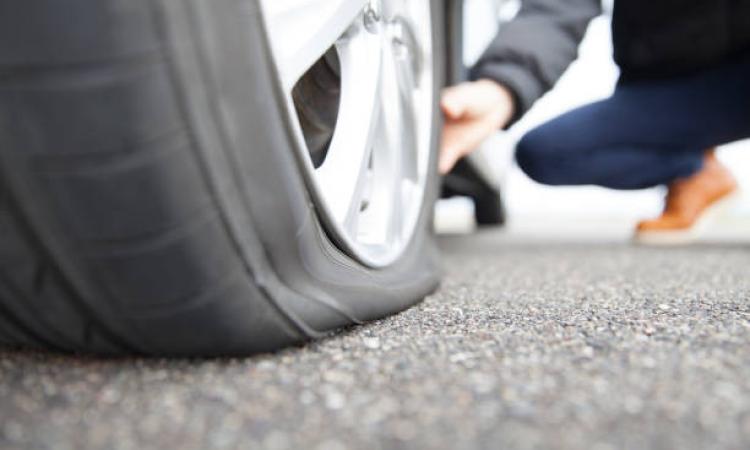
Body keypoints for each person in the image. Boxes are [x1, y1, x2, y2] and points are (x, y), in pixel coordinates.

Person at [440, 0, 750, 243]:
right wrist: (503, 85)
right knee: (546, 152)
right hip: (665, 87)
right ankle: (697, 173)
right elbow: (558, 7)